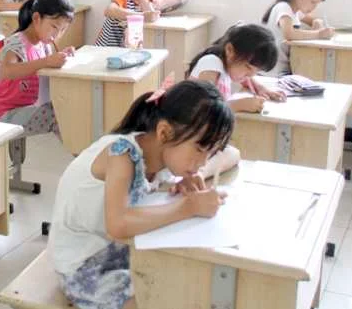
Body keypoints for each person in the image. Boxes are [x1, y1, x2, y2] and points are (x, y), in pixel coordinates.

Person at [49, 79, 238, 309]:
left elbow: (232, 154)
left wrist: (195, 172)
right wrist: (188, 207)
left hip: (123, 249)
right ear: (164, 132)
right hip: (84, 265)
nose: (203, 160)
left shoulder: (164, 150)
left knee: (190, 283)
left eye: (210, 152)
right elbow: (117, 225)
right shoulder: (123, 154)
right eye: (199, 149)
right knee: (159, 298)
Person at [0, 0, 75, 137]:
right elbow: (6, 71)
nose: (57, 35)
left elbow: (47, 70)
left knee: (66, 107)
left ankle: (82, 153)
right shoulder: (18, 42)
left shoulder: (44, 45)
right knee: (57, 114)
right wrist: (46, 61)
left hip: (23, 110)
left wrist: (62, 56)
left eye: (62, 30)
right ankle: (82, 155)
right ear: (36, 18)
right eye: (54, 27)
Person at [187, 23, 285, 113]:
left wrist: (262, 88)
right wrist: (238, 105)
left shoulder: (229, 65)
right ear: (229, 50)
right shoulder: (211, 63)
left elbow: (247, 79)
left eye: (257, 71)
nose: (250, 75)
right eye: (248, 67)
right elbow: (203, 108)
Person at [262, 0, 333, 76]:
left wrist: (317, 22)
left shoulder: (295, 11)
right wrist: (318, 34)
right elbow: (289, 34)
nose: (314, 7)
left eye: (317, 3)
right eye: (313, 2)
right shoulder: (283, 7)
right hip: (274, 72)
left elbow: (313, 20)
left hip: (284, 69)